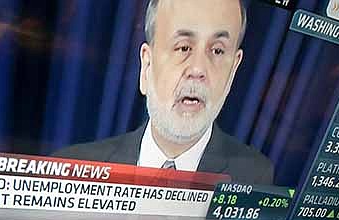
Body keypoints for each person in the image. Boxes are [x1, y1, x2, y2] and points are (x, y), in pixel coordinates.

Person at [54, 0, 273, 185]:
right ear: (147, 66)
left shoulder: (256, 176)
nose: (198, 70)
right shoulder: (70, 171)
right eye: (183, 47)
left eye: (217, 50)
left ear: (233, 70)